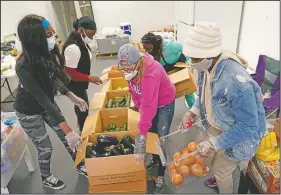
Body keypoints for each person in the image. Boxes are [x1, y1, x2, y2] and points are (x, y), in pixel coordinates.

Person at [178, 22, 266, 193]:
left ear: (209, 55)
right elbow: (204, 95)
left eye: (195, 59)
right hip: (220, 122)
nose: (192, 63)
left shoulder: (237, 82)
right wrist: (192, 112)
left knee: (221, 169)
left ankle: (224, 182)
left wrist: (214, 142)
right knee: (210, 157)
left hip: (241, 133)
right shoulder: (207, 66)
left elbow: (248, 126)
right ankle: (221, 177)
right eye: (191, 58)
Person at [14, 14, 88, 190]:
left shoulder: (44, 54)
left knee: (67, 138)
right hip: (28, 110)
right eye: (48, 35)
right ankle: (46, 177)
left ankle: (79, 164)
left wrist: (70, 95)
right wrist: (68, 129)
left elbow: (52, 78)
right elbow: (41, 97)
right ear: (35, 38)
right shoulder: (23, 65)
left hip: (46, 103)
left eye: (52, 33)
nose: (52, 38)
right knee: (45, 147)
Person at [117, 44, 176, 194]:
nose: (126, 72)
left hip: (164, 103)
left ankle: (161, 176)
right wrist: (138, 106)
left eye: (128, 68)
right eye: (123, 68)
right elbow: (134, 91)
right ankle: (155, 159)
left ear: (138, 63)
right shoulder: (130, 70)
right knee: (151, 131)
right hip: (149, 102)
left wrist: (140, 143)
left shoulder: (151, 73)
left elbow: (149, 105)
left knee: (161, 138)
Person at [62, 16, 102, 132]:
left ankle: (82, 127)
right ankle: (83, 132)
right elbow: (70, 73)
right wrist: (90, 78)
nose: (92, 37)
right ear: (81, 30)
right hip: (74, 84)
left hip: (80, 82)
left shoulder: (80, 40)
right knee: (83, 108)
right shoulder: (73, 47)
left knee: (81, 106)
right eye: (90, 35)